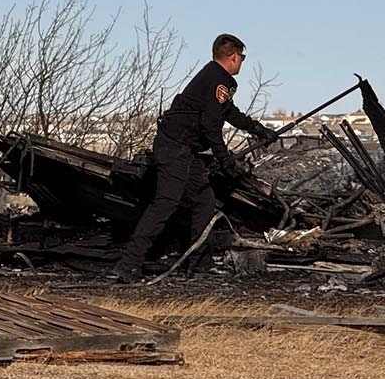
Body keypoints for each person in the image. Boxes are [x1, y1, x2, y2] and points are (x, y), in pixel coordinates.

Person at [112, 34, 275, 283]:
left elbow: (228, 112)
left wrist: (258, 129)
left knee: (204, 203)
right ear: (233, 56)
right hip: (175, 149)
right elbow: (210, 124)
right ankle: (129, 264)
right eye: (242, 57)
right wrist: (223, 158)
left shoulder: (213, 79)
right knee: (165, 203)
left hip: (186, 151)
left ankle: (199, 264)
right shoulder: (219, 81)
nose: (242, 61)